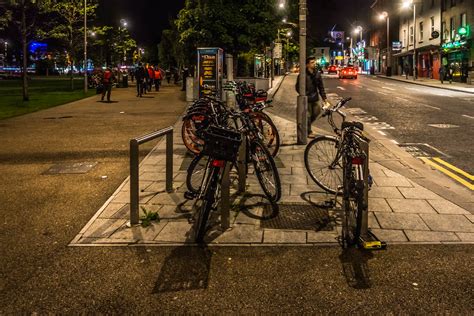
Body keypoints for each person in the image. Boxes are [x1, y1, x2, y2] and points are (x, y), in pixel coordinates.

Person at [295, 56, 329, 138]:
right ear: (307, 64)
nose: (314, 64)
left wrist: (324, 98)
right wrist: (303, 94)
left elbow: (321, 87)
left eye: (314, 62)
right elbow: (297, 86)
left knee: (317, 113)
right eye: (312, 62)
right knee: (308, 116)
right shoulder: (303, 74)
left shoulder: (317, 74)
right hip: (306, 99)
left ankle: (307, 126)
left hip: (315, 97)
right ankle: (308, 131)